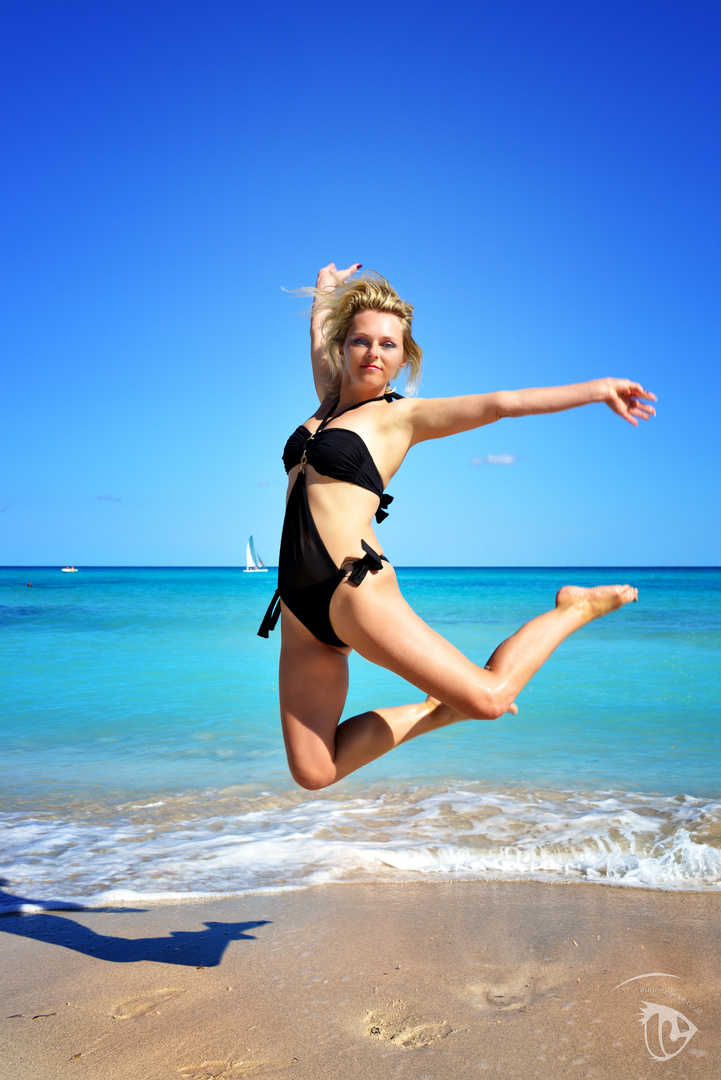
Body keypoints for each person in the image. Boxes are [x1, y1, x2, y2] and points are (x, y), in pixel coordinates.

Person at [259, 262, 656, 791]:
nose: (373, 353)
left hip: (354, 589)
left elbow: (500, 406)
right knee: (314, 769)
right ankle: (436, 711)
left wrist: (597, 388)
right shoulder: (327, 402)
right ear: (344, 347)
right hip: (297, 608)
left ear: (403, 359)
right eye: (361, 341)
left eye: (388, 345)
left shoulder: (399, 418)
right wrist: (327, 290)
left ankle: (574, 607)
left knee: (491, 699)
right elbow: (319, 331)